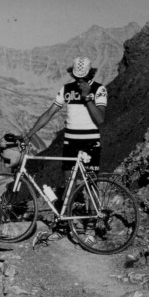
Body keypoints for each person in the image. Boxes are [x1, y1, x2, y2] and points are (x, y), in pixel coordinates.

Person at [23, 56, 107, 206]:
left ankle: (96, 218)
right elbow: (49, 113)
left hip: (90, 142)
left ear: (90, 74)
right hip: (70, 141)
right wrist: (30, 134)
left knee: (91, 183)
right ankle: (66, 218)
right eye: (77, 77)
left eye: (84, 77)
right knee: (69, 181)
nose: (80, 81)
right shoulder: (66, 89)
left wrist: (87, 98)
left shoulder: (99, 89)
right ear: (73, 74)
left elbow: (100, 119)